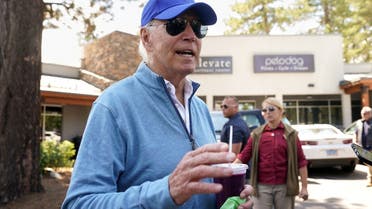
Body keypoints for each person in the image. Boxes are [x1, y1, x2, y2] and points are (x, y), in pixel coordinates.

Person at [61, 0, 254, 209]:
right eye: (177, 23)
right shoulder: (113, 105)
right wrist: (167, 191)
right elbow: (80, 203)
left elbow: (201, 193)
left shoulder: (199, 108)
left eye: (198, 27)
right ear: (146, 38)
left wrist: (228, 201)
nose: (191, 35)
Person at [234, 97, 309, 209]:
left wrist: (304, 187)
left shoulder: (291, 134)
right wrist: (228, 170)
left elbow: (301, 161)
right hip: (261, 187)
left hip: (285, 187)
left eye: (271, 109)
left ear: (280, 111)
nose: (267, 112)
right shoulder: (257, 134)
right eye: (264, 110)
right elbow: (244, 156)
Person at [355, 106, 372, 187]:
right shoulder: (359, 123)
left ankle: (370, 180)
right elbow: (356, 133)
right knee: (369, 164)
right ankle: (370, 180)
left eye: (366, 113)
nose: (365, 115)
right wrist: (356, 142)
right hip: (363, 147)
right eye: (363, 113)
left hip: (371, 146)